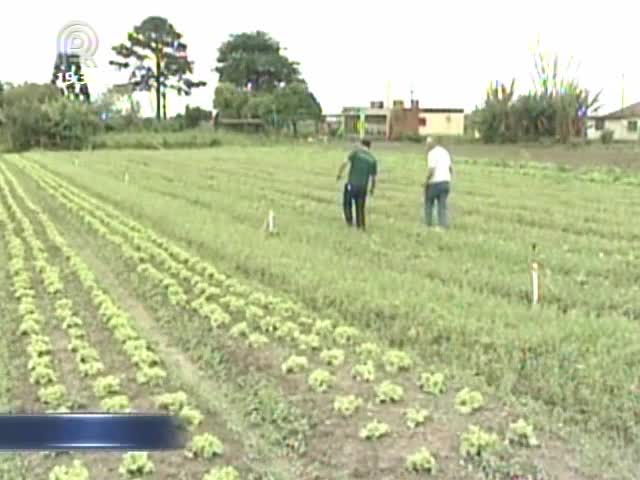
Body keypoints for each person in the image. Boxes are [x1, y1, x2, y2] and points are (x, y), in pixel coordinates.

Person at [336, 138, 377, 230]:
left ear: (362, 144)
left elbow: (344, 163)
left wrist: (339, 174)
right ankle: (361, 224)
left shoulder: (355, 153)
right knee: (360, 206)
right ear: (369, 147)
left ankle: (349, 221)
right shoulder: (372, 160)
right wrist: (372, 189)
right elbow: (373, 177)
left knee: (347, 203)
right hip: (363, 187)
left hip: (352, 184)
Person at [423, 136, 453, 229]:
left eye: (426, 145)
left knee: (428, 202)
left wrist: (426, 182)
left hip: (435, 183)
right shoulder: (445, 152)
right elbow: (450, 168)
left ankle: (428, 224)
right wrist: (449, 179)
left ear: (429, 145)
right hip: (446, 182)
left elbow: (431, 170)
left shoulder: (431, 154)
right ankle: (442, 225)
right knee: (442, 205)